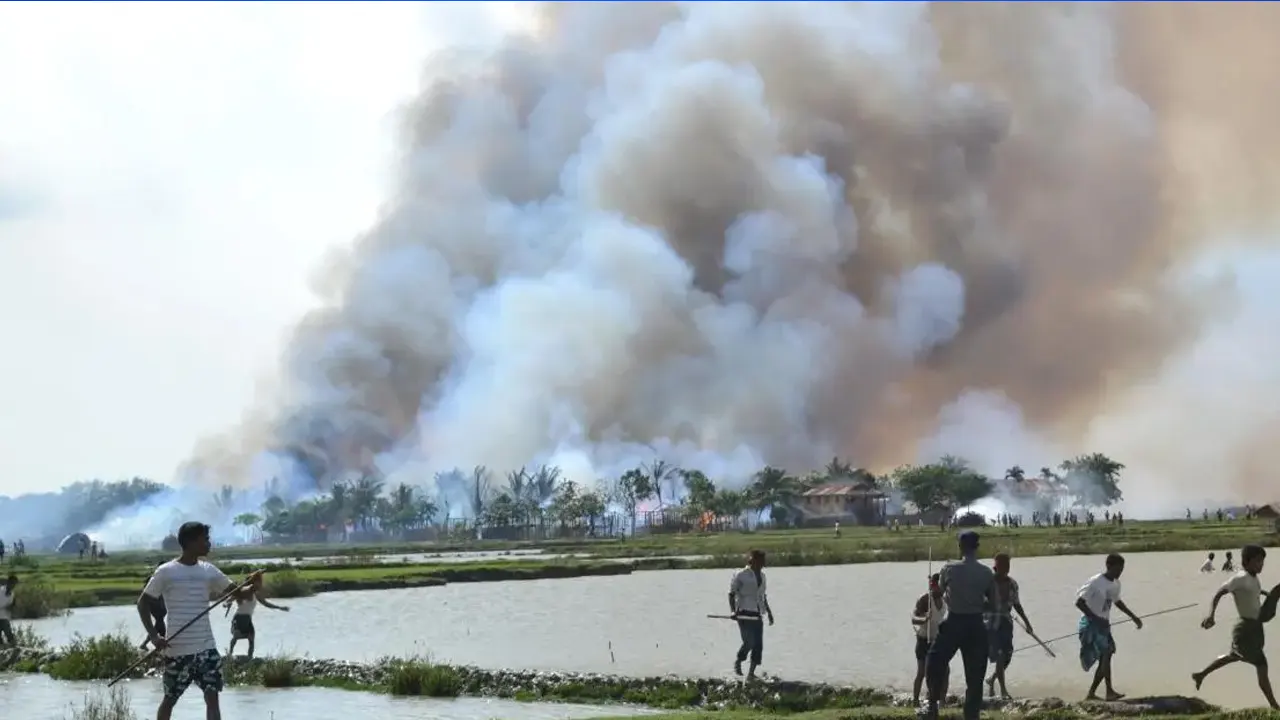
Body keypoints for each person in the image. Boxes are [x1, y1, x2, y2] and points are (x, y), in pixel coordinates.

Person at [138, 521, 260, 720]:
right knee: (170, 699)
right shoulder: (167, 571)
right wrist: (154, 636)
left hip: (206, 648)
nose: (209, 543)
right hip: (178, 649)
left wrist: (253, 586)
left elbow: (240, 594)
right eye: (205, 539)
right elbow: (142, 603)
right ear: (190, 542)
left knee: (212, 698)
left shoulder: (208, 570)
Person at [921, 531, 995, 720]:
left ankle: (932, 706)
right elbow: (993, 605)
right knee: (975, 674)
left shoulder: (949, 568)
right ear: (977, 547)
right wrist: (976, 602)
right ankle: (972, 714)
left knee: (934, 662)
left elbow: (939, 594)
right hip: (976, 625)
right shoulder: (986, 573)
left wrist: (934, 588)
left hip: (954, 622)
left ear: (960, 547)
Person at [1192, 545, 1278, 708]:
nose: (1262, 565)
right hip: (1246, 628)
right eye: (1258, 561)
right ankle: (1275, 706)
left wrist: (1265, 594)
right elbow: (1219, 592)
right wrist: (1211, 615)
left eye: (1263, 561)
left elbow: (1253, 592)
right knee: (1260, 663)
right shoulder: (1240, 578)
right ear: (1247, 561)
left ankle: (1201, 674)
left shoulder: (1252, 578)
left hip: (1254, 625)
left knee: (1235, 656)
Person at [1076, 553, 1143, 701]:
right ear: (1109, 566)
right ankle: (1107, 691)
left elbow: (1117, 601)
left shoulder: (1116, 584)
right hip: (1090, 624)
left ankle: (1096, 693)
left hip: (1104, 625)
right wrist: (1095, 619)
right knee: (1106, 654)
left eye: (1122, 569)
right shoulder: (1095, 582)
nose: (1120, 572)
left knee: (1107, 655)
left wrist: (1133, 617)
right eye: (1118, 569)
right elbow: (1079, 603)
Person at [986, 553, 1034, 700]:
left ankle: (992, 679)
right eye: (1000, 566)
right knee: (1000, 655)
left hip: (1006, 622)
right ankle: (1003, 691)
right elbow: (979, 602)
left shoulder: (1012, 583)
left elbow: (1017, 604)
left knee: (1007, 655)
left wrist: (1027, 622)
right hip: (990, 623)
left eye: (1006, 566)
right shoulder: (987, 583)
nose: (1003, 569)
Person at [728, 549, 774, 680]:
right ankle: (739, 660)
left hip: (758, 613)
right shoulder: (741, 574)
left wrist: (769, 613)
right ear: (753, 560)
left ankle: (751, 674)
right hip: (743, 612)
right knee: (749, 642)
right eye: (760, 560)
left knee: (758, 645)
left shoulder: (763, 576)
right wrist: (732, 611)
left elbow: (762, 596)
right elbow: (731, 594)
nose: (763, 563)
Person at [224, 574, 290, 660]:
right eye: (258, 582)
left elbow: (266, 603)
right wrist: (226, 604)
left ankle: (250, 658)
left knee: (251, 638)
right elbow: (228, 600)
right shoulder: (241, 592)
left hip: (248, 619)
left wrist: (280, 607)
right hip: (239, 618)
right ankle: (230, 654)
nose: (260, 585)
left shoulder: (256, 593)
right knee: (236, 636)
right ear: (253, 582)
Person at [912, 573, 948, 706]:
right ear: (932, 585)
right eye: (936, 585)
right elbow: (914, 619)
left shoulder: (945, 600)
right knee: (922, 672)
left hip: (937, 640)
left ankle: (942, 701)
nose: (940, 589)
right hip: (923, 640)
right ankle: (915, 701)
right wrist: (925, 618)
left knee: (945, 671)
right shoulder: (925, 599)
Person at [0, 574, 18, 646]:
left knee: (9, 635)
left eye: (14, 584)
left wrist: (10, 607)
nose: (13, 586)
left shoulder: (12, 594)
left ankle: (14, 649)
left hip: (4, 617)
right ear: (8, 582)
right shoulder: (0, 591)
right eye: (11, 583)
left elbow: (12, 606)